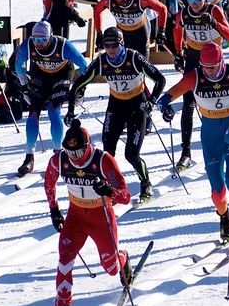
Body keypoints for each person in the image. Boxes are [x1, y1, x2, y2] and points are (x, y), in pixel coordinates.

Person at [159, 42, 229, 244]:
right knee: (218, 192)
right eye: (205, 67)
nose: (209, 72)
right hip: (210, 136)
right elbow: (168, 96)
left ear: (221, 62)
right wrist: (165, 107)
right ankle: (224, 217)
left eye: (213, 67)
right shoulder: (195, 76)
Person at [44, 118, 133, 306]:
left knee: (110, 268)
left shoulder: (102, 160)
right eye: (70, 152)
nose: (74, 157)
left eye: (78, 151)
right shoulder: (60, 160)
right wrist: (54, 210)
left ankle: (122, 259)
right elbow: (49, 182)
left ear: (88, 146)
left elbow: (126, 196)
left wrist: (109, 190)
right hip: (76, 217)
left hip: (101, 216)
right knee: (64, 260)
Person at [69, 27, 165, 201]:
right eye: (107, 45)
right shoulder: (102, 61)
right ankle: (111, 188)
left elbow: (160, 79)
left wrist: (152, 101)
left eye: (114, 45)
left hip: (137, 106)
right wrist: (70, 110)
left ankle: (146, 183)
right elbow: (78, 84)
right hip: (116, 106)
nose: (111, 49)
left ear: (121, 44)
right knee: (107, 153)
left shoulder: (133, 57)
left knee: (131, 154)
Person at [170, 0, 229, 168]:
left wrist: (215, 23)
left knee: (220, 103)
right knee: (188, 103)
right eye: (191, 0)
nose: (195, 4)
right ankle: (186, 151)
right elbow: (177, 31)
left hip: (215, 63)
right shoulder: (183, 14)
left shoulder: (213, 10)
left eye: (198, 0)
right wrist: (178, 53)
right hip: (193, 59)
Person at [14, 19, 88, 177]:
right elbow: (18, 63)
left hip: (62, 74)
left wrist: (80, 87)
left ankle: (58, 154)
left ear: (50, 37)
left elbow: (83, 65)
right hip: (40, 74)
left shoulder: (63, 45)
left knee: (54, 112)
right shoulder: (28, 44)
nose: (39, 43)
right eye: (36, 39)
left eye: (43, 40)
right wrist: (23, 83)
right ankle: (29, 156)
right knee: (33, 114)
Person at [91, 0, 166, 57]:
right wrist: (99, 33)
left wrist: (161, 31)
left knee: (142, 64)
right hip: (122, 34)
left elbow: (162, 8)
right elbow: (97, 10)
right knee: (122, 64)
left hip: (141, 33)